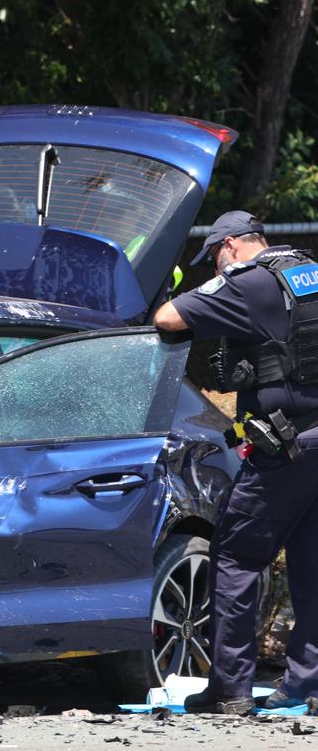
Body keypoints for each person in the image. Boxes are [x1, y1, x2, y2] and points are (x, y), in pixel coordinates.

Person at [154, 210, 318, 715]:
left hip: (284, 447)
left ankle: (230, 689)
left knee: (236, 559)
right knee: (312, 566)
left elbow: (168, 319)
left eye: (215, 258)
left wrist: (210, 283)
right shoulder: (309, 272)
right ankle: (307, 685)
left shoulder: (247, 284)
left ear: (228, 246)